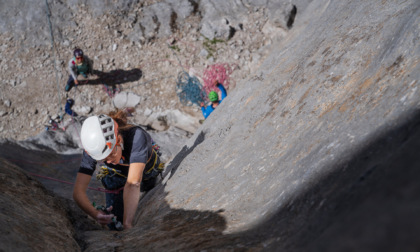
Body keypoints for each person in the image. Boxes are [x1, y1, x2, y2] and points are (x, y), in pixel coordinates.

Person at [73, 110, 163, 230]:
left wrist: (127, 224)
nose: (108, 161)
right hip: (118, 174)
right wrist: (95, 214)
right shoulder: (93, 149)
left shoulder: (136, 137)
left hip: (146, 171)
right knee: (113, 219)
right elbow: (78, 192)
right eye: (103, 160)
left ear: (119, 141)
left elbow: (133, 183)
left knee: (147, 184)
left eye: (110, 155)